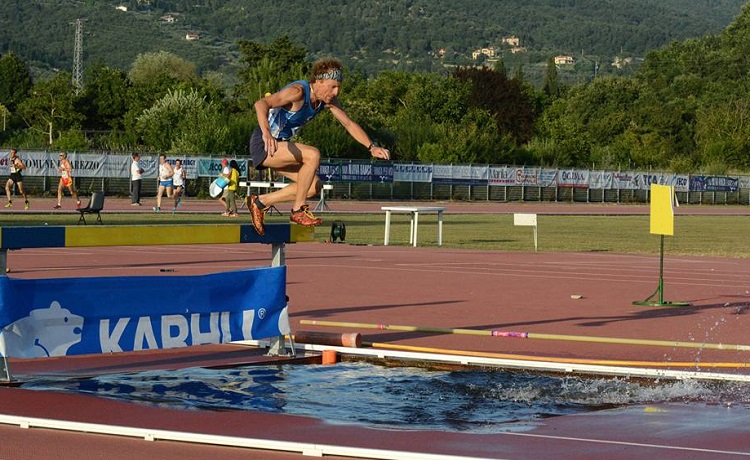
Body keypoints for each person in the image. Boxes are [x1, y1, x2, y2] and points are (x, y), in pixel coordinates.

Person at [248, 57, 390, 235]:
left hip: (282, 148)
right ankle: (298, 210)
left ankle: (260, 202)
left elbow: (349, 124)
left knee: (314, 186)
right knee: (313, 154)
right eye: (332, 87)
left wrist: (371, 147)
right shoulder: (297, 91)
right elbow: (261, 103)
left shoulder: (327, 101)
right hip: (264, 144)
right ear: (318, 81)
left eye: (339, 87)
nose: (336, 92)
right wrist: (266, 132)